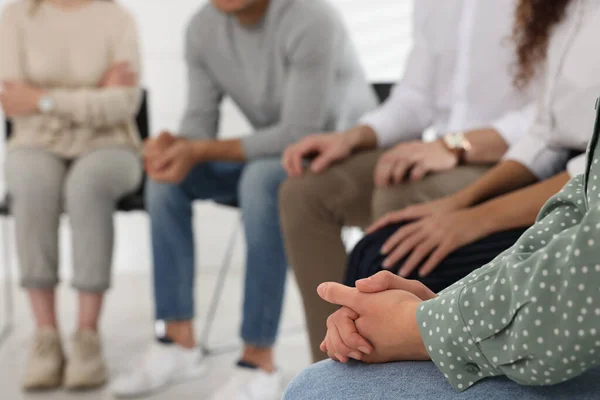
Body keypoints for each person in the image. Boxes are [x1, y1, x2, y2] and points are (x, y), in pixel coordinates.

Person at [282, 0, 600, 398]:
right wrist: (456, 209)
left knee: (386, 256)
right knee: (362, 244)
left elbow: (583, 274)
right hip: (541, 174)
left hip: (503, 160)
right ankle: (345, 343)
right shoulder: (563, 12)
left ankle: (362, 347)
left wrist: (422, 323)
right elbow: (554, 148)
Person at [109, 0, 376, 398]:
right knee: (167, 180)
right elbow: (200, 123)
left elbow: (299, 133)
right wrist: (177, 146)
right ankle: (177, 340)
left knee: (260, 180)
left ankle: (258, 360)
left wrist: (197, 150)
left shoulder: (311, 18)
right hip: (277, 154)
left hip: (341, 155)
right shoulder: (202, 28)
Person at [0, 0, 142, 391]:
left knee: (87, 184)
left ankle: (87, 339)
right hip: (34, 142)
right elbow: (13, 101)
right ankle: (45, 338)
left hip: (111, 145)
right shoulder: (17, 16)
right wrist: (93, 93)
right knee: (29, 182)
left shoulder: (118, 19)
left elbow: (123, 104)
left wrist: (44, 99)